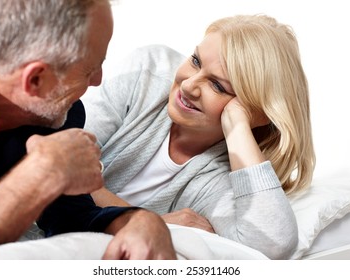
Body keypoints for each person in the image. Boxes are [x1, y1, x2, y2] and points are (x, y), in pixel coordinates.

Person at [83, 14, 316, 259]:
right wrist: (154, 222)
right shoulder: (148, 72)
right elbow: (59, 165)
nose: (188, 85)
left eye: (217, 86)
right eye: (195, 61)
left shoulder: (217, 178)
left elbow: (273, 245)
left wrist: (237, 127)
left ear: (254, 113)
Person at [0, 0, 176, 260]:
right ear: (35, 79)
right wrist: (41, 173)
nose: (99, 80)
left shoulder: (58, 115)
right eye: (90, 70)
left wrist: (139, 219)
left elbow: (71, 218)